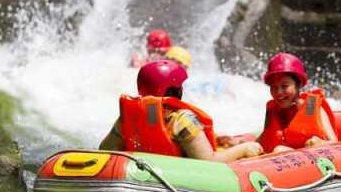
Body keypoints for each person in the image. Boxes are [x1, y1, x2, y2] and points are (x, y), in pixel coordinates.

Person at [99, 60, 263, 162]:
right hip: (180, 184)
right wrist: (244, 149)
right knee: (247, 143)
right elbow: (209, 161)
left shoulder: (128, 119)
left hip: (140, 180)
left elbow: (105, 151)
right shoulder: (182, 119)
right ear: (175, 91)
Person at [257, 53, 338, 153]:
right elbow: (263, 140)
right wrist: (240, 144)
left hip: (312, 162)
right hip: (278, 163)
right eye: (274, 87)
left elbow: (335, 144)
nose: (279, 92)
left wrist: (320, 143)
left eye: (285, 86)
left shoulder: (312, 109)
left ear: (298, 84)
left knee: (280, 150)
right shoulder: (273, 111)